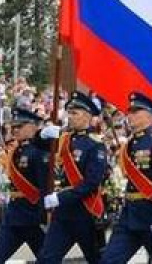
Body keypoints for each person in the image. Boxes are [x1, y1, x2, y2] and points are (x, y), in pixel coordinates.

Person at [100, 92, 152, 264]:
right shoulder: (129, 144)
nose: (130, 115)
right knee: (109, 260)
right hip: (129, 216)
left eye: (136, 111)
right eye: (129, 111)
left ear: (150, 115)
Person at [37, 91, 108, 264]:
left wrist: (60, 197)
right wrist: (42, 134)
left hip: (85, 212)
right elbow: (36, 146)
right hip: (63, 214)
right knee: (47, 259)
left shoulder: (95, 145)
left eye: (75, 113)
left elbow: (92, 182)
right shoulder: (63, 138)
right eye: (69, 112)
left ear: (87, 116)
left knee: (97, 259)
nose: (70, 117)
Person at [0, 108, 50, 263]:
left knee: (47, 260)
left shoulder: (39, 152)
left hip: (33, 217)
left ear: (33, 126)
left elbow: (44, 187)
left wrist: (45, 216)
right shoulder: (15, 150)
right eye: (13, 127)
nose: (15, 130)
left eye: (19, 126)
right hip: (14, 216)